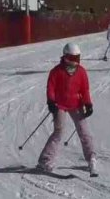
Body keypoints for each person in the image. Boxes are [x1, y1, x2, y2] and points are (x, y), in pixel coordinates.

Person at [38, 43, 97, 175]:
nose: (75, 61)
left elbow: (85, 89)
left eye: (77, 58)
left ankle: (91, 157)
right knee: (59, 131)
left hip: (76, 104)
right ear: (65, 57)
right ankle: (45, 161)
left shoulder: (81, 72)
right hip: (60, 105)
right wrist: (51, 101)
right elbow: (51, 88)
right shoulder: (56, 71)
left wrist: (88, 103)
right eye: (72, 58)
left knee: (84, 131)